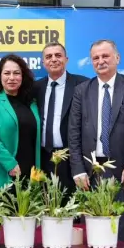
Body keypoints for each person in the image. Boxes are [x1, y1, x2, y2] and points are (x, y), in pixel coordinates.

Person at [68, 40, 124, 247]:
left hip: (123, 171)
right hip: (89, 172)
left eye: (105, 56)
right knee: (93, 229)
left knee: (123, 229)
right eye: (96, 58)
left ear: (117, 58)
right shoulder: (82, 91)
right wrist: (77, 170)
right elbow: (73, 132)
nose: (100, 61)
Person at [0, 55, 40, 189]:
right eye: (7, 73)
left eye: (16, 73)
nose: (12, 78)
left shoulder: (32, 103)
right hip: (4, 172)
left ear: (23, 76)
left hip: (31, 174)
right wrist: (10, 164)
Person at [34, 43, 88, 192]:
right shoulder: (35, 87)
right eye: (48, 56)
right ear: (43, 62)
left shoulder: (83, 84)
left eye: (58, 55)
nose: (53, 59)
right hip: (42, 158)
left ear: (66, 59)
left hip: (72, 159)